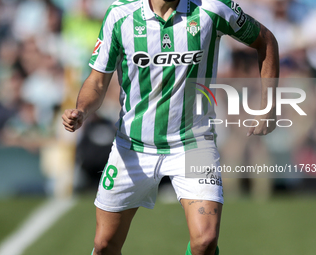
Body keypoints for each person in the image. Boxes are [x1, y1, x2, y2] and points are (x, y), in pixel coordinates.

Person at [62, 0, 279, 254]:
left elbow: (265, 40)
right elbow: (98, 81)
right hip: (133, 145)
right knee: (104, 245)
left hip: (194, 142)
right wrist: (82, 111)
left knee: (205, 241)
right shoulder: (120, 15)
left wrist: (268, 106)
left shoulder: (212, 8)